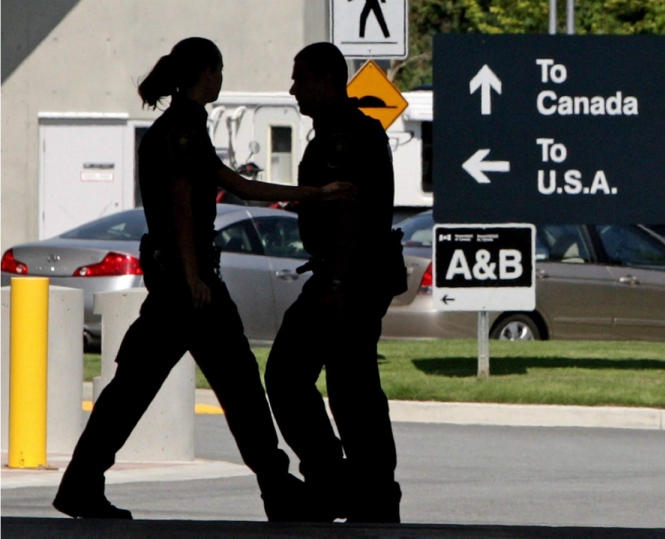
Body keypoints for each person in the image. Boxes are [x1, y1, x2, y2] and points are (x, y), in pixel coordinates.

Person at [52, 37, 353, 521]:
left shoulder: (181, 128)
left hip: (180, 287)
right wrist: (194, 276)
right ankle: (277, 490)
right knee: (236, 388)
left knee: (138, 388)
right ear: (206, 74)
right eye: (219, 70)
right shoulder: (182, 130)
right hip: (190, 290)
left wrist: (314, 193)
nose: (221, 79)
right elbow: (181, 202)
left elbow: (239, 185)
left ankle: (82, 483)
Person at [264, 42, 406, 523]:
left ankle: (349, 485)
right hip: (347, 275)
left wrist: (336, 285)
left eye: (300, 78)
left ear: (326, 80)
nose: (293, 89)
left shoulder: (343, 137)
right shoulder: (337, 131)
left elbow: (349, 211)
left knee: (312, 379)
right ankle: (359, 487)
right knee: (347, 383)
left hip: (350, 277)